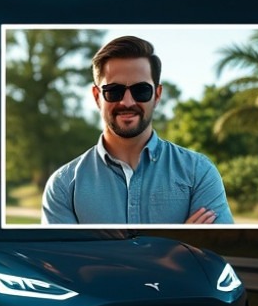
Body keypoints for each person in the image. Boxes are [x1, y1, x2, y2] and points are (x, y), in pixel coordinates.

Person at [41, 35, 233, 225]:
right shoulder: (63, 186)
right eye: (113, 91)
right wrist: (175, 247)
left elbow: (214, 251)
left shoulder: (199, 173)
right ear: (97, 96)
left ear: (157, 95)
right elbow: (64, 256)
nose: (127, 102)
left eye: (141, 90)